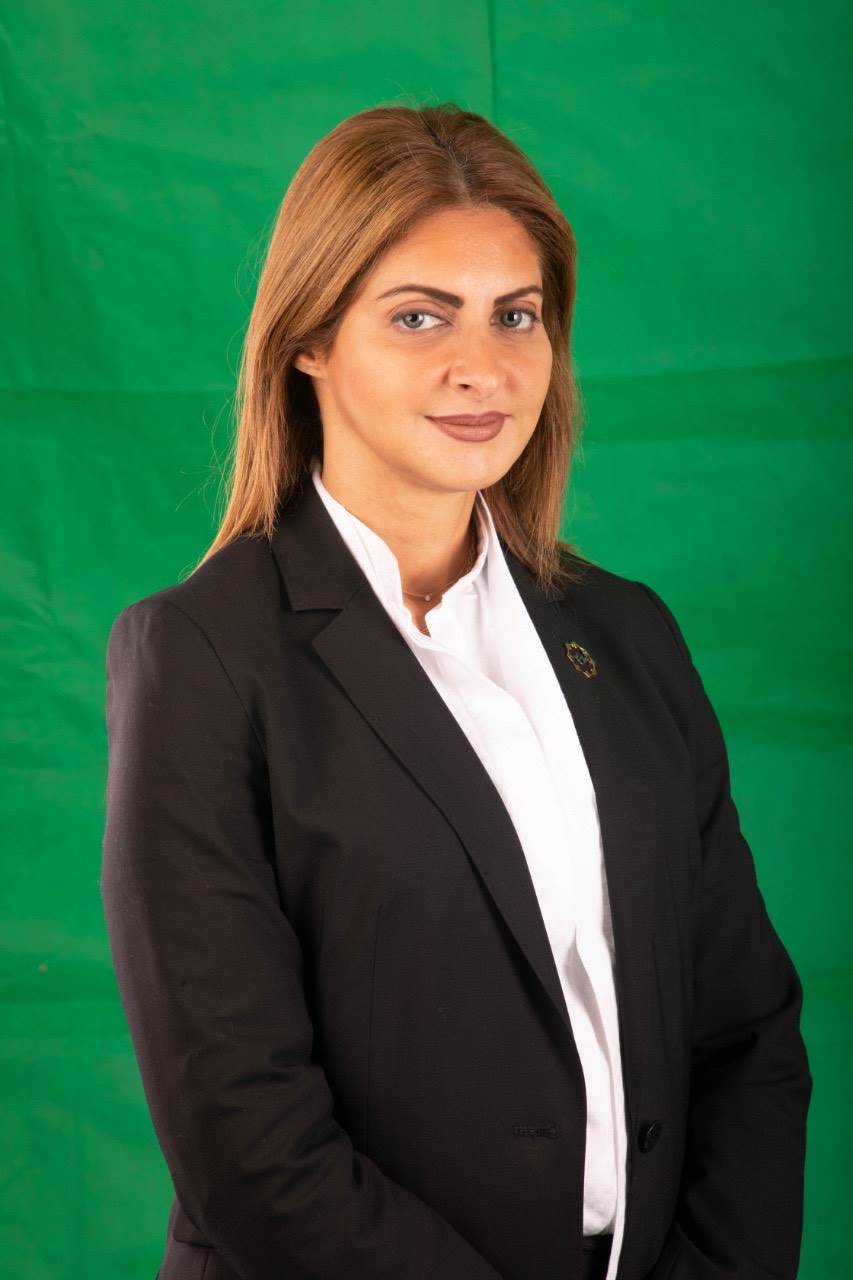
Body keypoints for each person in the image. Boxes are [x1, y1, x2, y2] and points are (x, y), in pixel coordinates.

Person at [100, 102, 812, 1280]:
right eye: (419, 315)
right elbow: (246, 1134)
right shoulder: (202, 655)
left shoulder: (627, 633)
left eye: (514, 314)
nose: (481, 365)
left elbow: (745, 1032)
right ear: (308, 338)